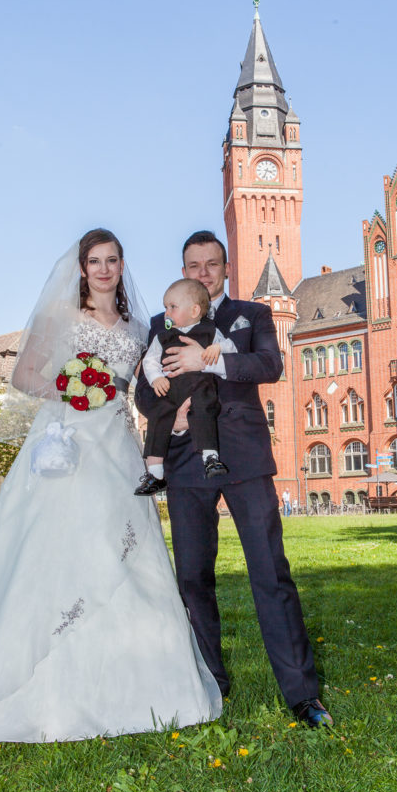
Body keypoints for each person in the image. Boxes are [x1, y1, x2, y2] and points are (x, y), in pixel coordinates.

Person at [0, 230, 221, 749]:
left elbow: (149, 386)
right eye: (94, 261)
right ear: (81, 269)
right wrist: (73, 385)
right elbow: (23, 375)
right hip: (64, 448)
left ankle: (150, 685)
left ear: (122, 266)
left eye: (111, 260)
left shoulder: (138, 327)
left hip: (118, 447)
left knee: (130, 554)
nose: (103, 269)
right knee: (55, 551)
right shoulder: (62, 317)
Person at [135, 230, 331, 728]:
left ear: (226, 268)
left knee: (270, 572)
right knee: (192, 577)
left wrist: (212, 359)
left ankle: (302, 694)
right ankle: (208, 684)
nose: (203, 272)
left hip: (244, 459)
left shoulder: (254, 314)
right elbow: (142, 392)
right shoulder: (163, 320)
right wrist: (170, 414)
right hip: (184, 461)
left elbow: (271, 364)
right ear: (183, 269)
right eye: (193, 265)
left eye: (212, 264)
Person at [134, 278, 235, 496]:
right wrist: (155, 379)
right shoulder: (163, 336)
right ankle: (155, 473)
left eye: (172, 307)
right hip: (170, 390)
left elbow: (231, 347)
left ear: (194, 310)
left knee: (205, 409)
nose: (166, 313)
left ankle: (211, 458)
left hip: (200, 387)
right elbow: (150, 361)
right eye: (165, 308)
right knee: (158, 415)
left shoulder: (210, 331)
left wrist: (217, 348)